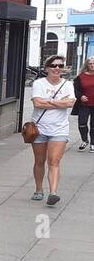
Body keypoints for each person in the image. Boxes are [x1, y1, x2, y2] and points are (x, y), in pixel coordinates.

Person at [30, 55, 76, 206]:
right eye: (54, 65)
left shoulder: (68, 85)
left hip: (59, 129)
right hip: (39, 129)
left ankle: (53, 193)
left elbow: (70, 104)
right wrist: (60, 102)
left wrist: (49, 101)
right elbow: (37, 103)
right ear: (46, 68)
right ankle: (38, 189)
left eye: (60, 66)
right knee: (39, 161)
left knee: (54, 161)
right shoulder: (39, 83)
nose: (57, 68)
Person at [74, 56, 94, 152]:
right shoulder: (80, 77)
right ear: (87, 65)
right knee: (82, 124)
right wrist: (80, 96)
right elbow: (76, 89)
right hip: (84, 104)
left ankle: (93, 144)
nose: (92, 65)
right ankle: (84, 140)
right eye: (90, 64)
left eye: (93, 64)